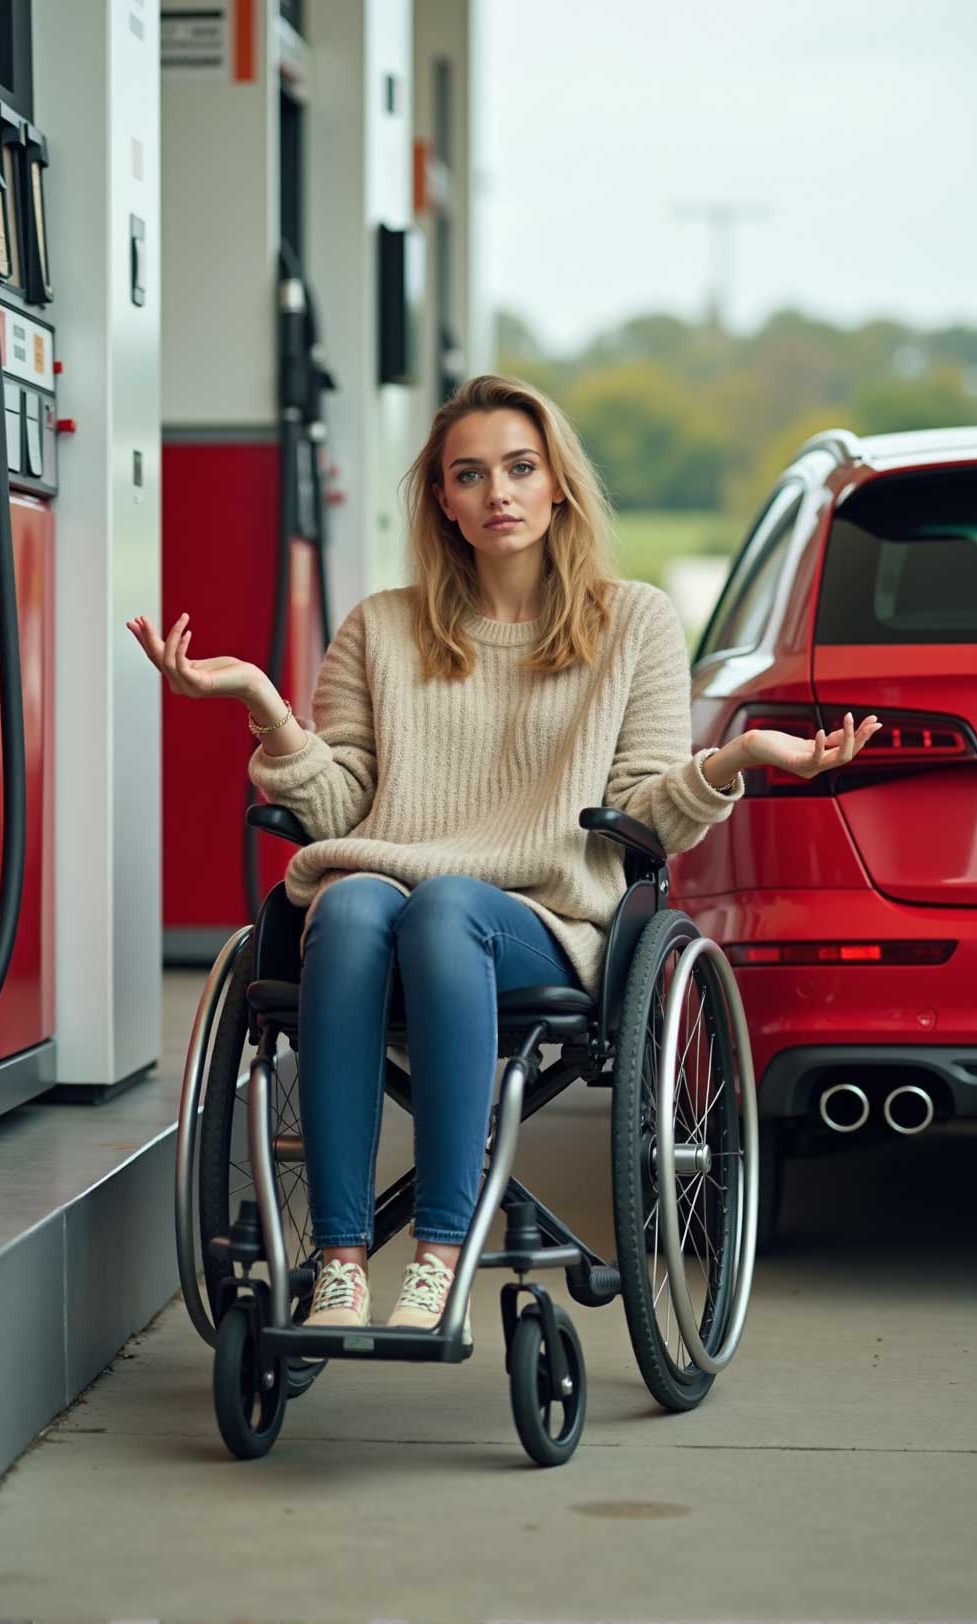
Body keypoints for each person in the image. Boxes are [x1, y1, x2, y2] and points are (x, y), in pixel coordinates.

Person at [127, 374, 878, 1338]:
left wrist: (734, 759)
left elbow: (645, 813)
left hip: (540, 921)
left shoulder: (633, 623)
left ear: (558, 481)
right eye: (470, 475)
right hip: (382, 903)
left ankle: (441, 1255)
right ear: (442, 498)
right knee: (349, 902)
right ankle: (345, 1260)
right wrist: (262, 704)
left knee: (445, 905)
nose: (499, 494)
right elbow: (342, 809)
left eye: (520, 469)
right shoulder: (381, 628)